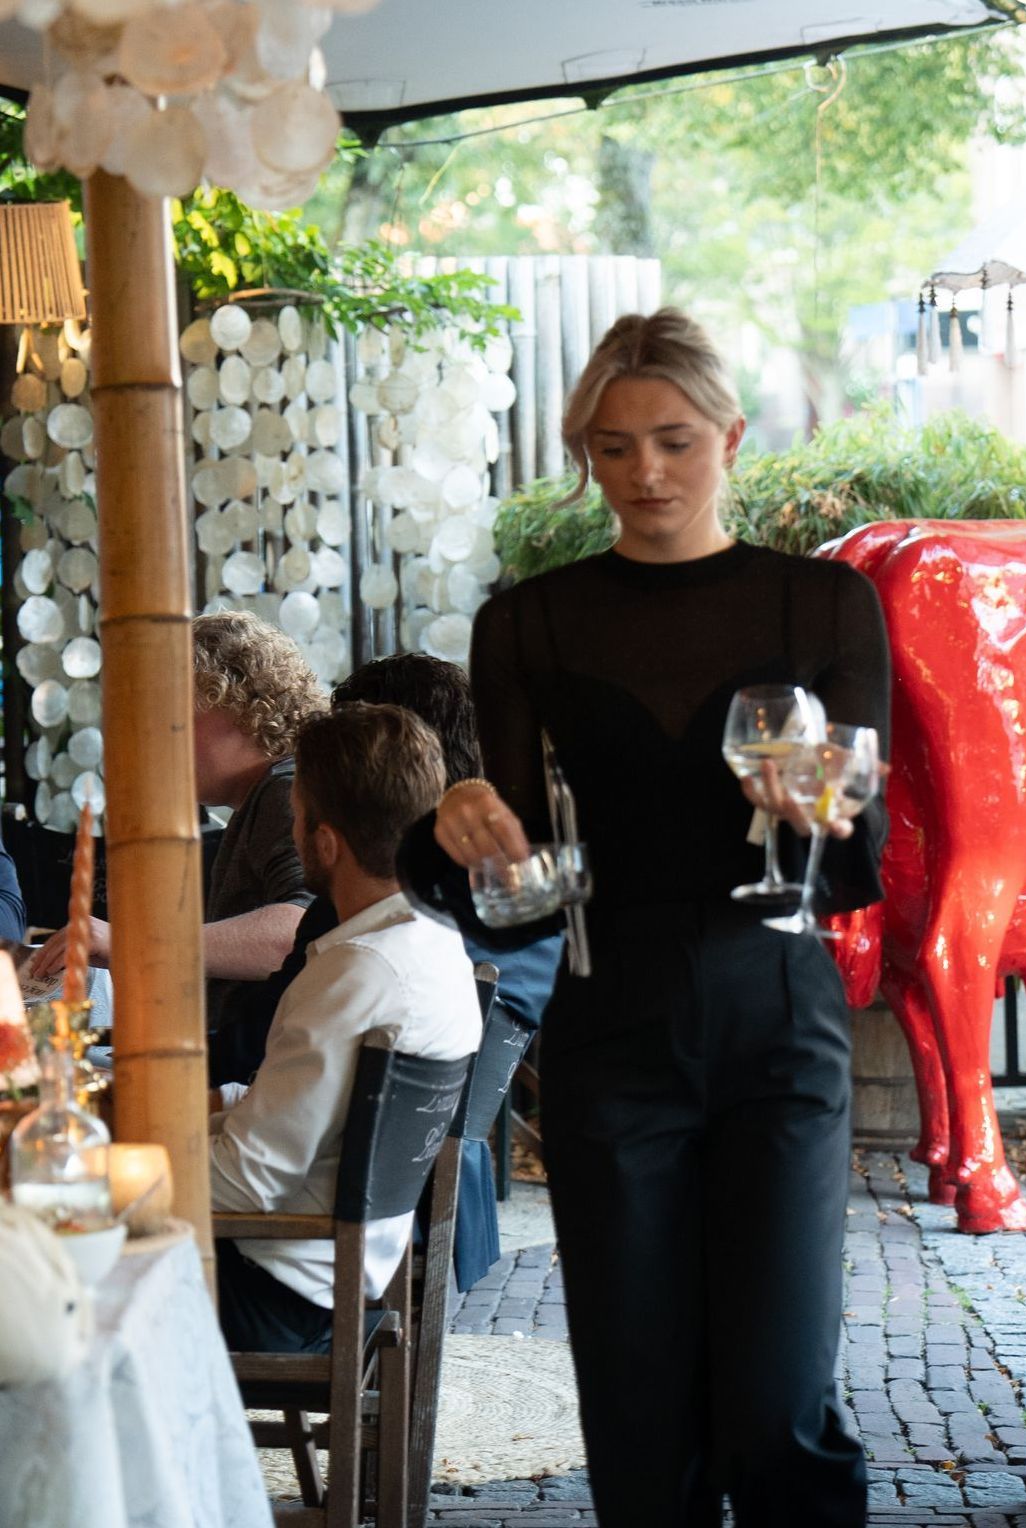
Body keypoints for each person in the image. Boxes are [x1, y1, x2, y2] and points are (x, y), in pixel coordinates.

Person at [405, 308, 890, 1526]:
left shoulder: (823, 606)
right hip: (608, 1029)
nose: (646, 473)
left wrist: (827, 808)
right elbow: (518, 895)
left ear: (731, 436)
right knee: (636, 1416)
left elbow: (856, 859)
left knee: (778, 1408)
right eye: (612, 448)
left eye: (673, 440)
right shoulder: (530, 622)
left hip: (778, 1023)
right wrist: (449, 824)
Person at [227, 652, 563, 1291]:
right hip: (435, 1201)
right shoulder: (510, 904)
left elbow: (253, 1050)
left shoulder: (372, 917)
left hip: (337, 1226)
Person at [210, 703, 481, 1352]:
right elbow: (323, 1123)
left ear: (327, 842)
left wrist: (112, 1166)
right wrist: (211, 1111)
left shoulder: (357, 971)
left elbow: (244, 1184)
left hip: (275, 1293)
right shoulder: (436, 941)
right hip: (339, 1279)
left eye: (296, 815)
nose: (293, 829)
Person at [32, 611, 326, 1082]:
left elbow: (298, 933)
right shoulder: (269, 793)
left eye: (177, 717)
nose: (162, 739)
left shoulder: (285, 789)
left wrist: (139, 945)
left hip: (254, 1089)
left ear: (240, 705)